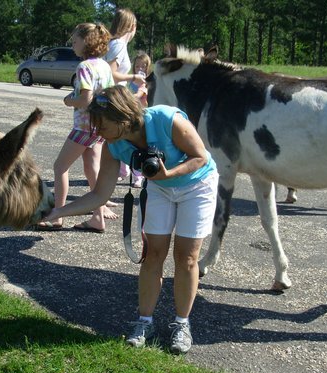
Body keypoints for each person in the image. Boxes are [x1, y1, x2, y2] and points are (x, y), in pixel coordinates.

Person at [41, 85, 219, 354]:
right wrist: (57, 211)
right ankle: (144, 322)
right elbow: (100, 194)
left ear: (122, 119)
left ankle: (182, 324)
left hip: (198, 185)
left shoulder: (166, 119)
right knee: (153, 255)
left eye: (101, 126)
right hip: (160, 188)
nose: (96, 133)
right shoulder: (113, 145)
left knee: (187, 258)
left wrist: (168, 174)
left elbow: (200, 156)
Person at [36, 23, 116, 233]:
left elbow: (85, 98)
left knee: (60, 167)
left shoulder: (84, 67)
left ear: (86, 42)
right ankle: (97, 218)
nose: (72, 44)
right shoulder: (104, 66)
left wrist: (68, 100)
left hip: (83, 127)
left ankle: (57, 216)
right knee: (92, 170)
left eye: (75, 41)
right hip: (99, 127)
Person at [104, 8, 146, 181]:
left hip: (112, 99)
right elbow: (112, 73)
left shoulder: (114, 44)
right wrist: (134, 77)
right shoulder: (118, 45)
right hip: (113, 101)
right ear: (132, 26)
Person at [127, 51, 152, 188]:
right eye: (137, 67)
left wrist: (125, 98)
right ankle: (127, 170)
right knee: (129, 144)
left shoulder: (145, 84)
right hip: (132, 116)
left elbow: (138, 95)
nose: (140, 69)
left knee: (141, 147)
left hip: (143, 118)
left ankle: (140, 176)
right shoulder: (131, 83)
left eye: (143, 67)